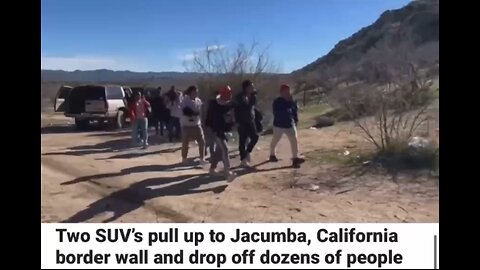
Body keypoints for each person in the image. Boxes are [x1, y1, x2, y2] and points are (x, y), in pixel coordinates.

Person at [269, 84, 305, 167]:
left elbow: (294, 112)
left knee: (294, 141)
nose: (287, 93)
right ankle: (272, 155)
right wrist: (287, 103)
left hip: (290, 124)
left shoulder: (291, 101)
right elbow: (277, 113)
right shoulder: (277, 102)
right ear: (281, 93)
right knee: (275, 140)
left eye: (288, 91)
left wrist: (296, 121)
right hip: (279, 125)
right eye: (285, 91)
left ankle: (295, 158)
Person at [205, 86, 237, 181]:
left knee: (219, 152)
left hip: (224, 131)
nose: (230, 95)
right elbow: (210, 119)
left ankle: (212, 169)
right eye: (228, 93)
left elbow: (231, 119)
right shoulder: (214, 105)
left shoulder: (231, 105)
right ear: (223, 94)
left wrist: (231, 124)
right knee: (225, 149)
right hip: (216, 131)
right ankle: (228, 173)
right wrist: (211, 130)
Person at [234, 79, 259, 167]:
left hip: (250, 120)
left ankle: (247, 152)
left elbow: (252, 107)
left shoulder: (253, 96)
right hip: (242, 121)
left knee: (255, 137)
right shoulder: (238, 97)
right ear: (246, 88)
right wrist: (237, 121)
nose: (253, 88)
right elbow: (236, 110)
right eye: (251, 87)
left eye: (253, 86)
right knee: (242, 140)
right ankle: (243, 159)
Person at [180, 85, 206, 165]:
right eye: (194, 92)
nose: (196, 93)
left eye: (196, 92)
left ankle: (202, 158)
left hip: (196, 124)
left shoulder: (198, 101)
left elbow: (200, 111)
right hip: (186, 124)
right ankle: (184, 158)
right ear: (190, 93)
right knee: (185, 142)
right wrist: (193, 113)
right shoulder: (185, 100)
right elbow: (185, 110)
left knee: (202, 141)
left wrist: (201, 119)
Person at [202, 90, 219, 157]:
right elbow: (207, 114)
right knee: (212, 139)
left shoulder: (215, 103)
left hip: (214, 124)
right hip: (210, 123)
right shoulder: (211, 103)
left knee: (213, 139)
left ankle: (205, 148)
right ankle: (212, 152)